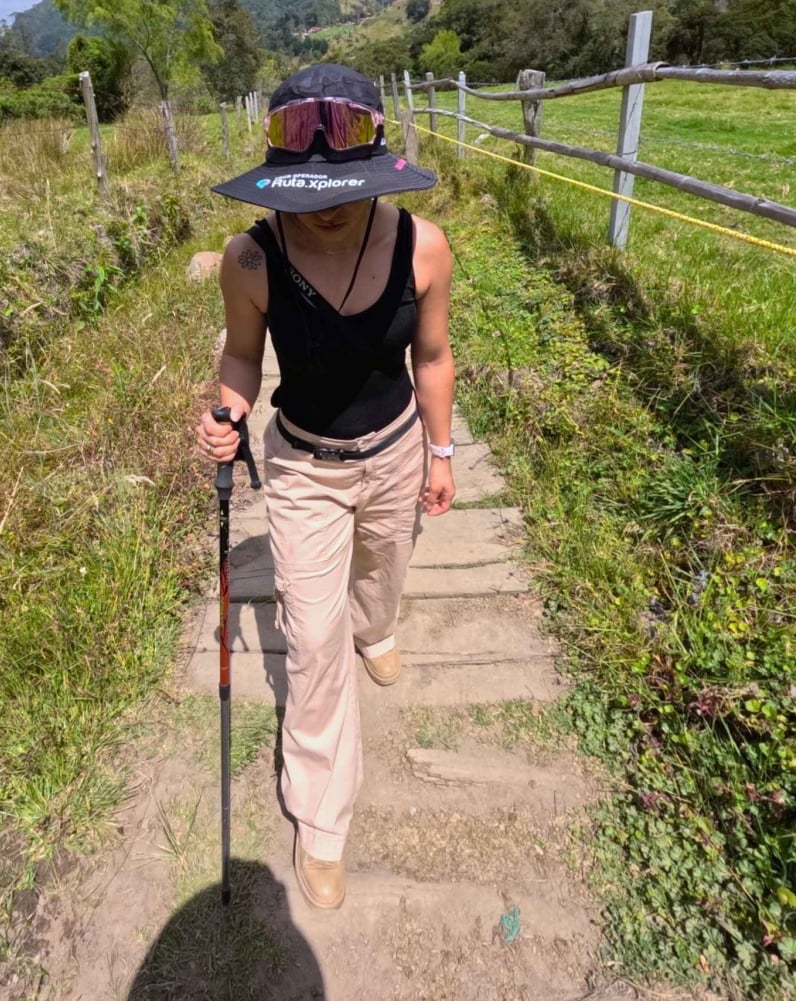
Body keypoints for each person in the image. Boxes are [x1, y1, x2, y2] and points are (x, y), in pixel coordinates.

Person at [197, 64, 456, 910]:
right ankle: (321, 818)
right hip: (303, 467)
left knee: (382, 571)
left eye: (346, 185)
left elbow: (434, 354)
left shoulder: (423, 244)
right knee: (312, 646)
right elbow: (242, 356)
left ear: (378, 168)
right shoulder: (249, 256)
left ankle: (378, 629)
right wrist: (227, 410)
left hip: (395, 451)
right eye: (308, 192)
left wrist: (443, 451)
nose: (328, 206)